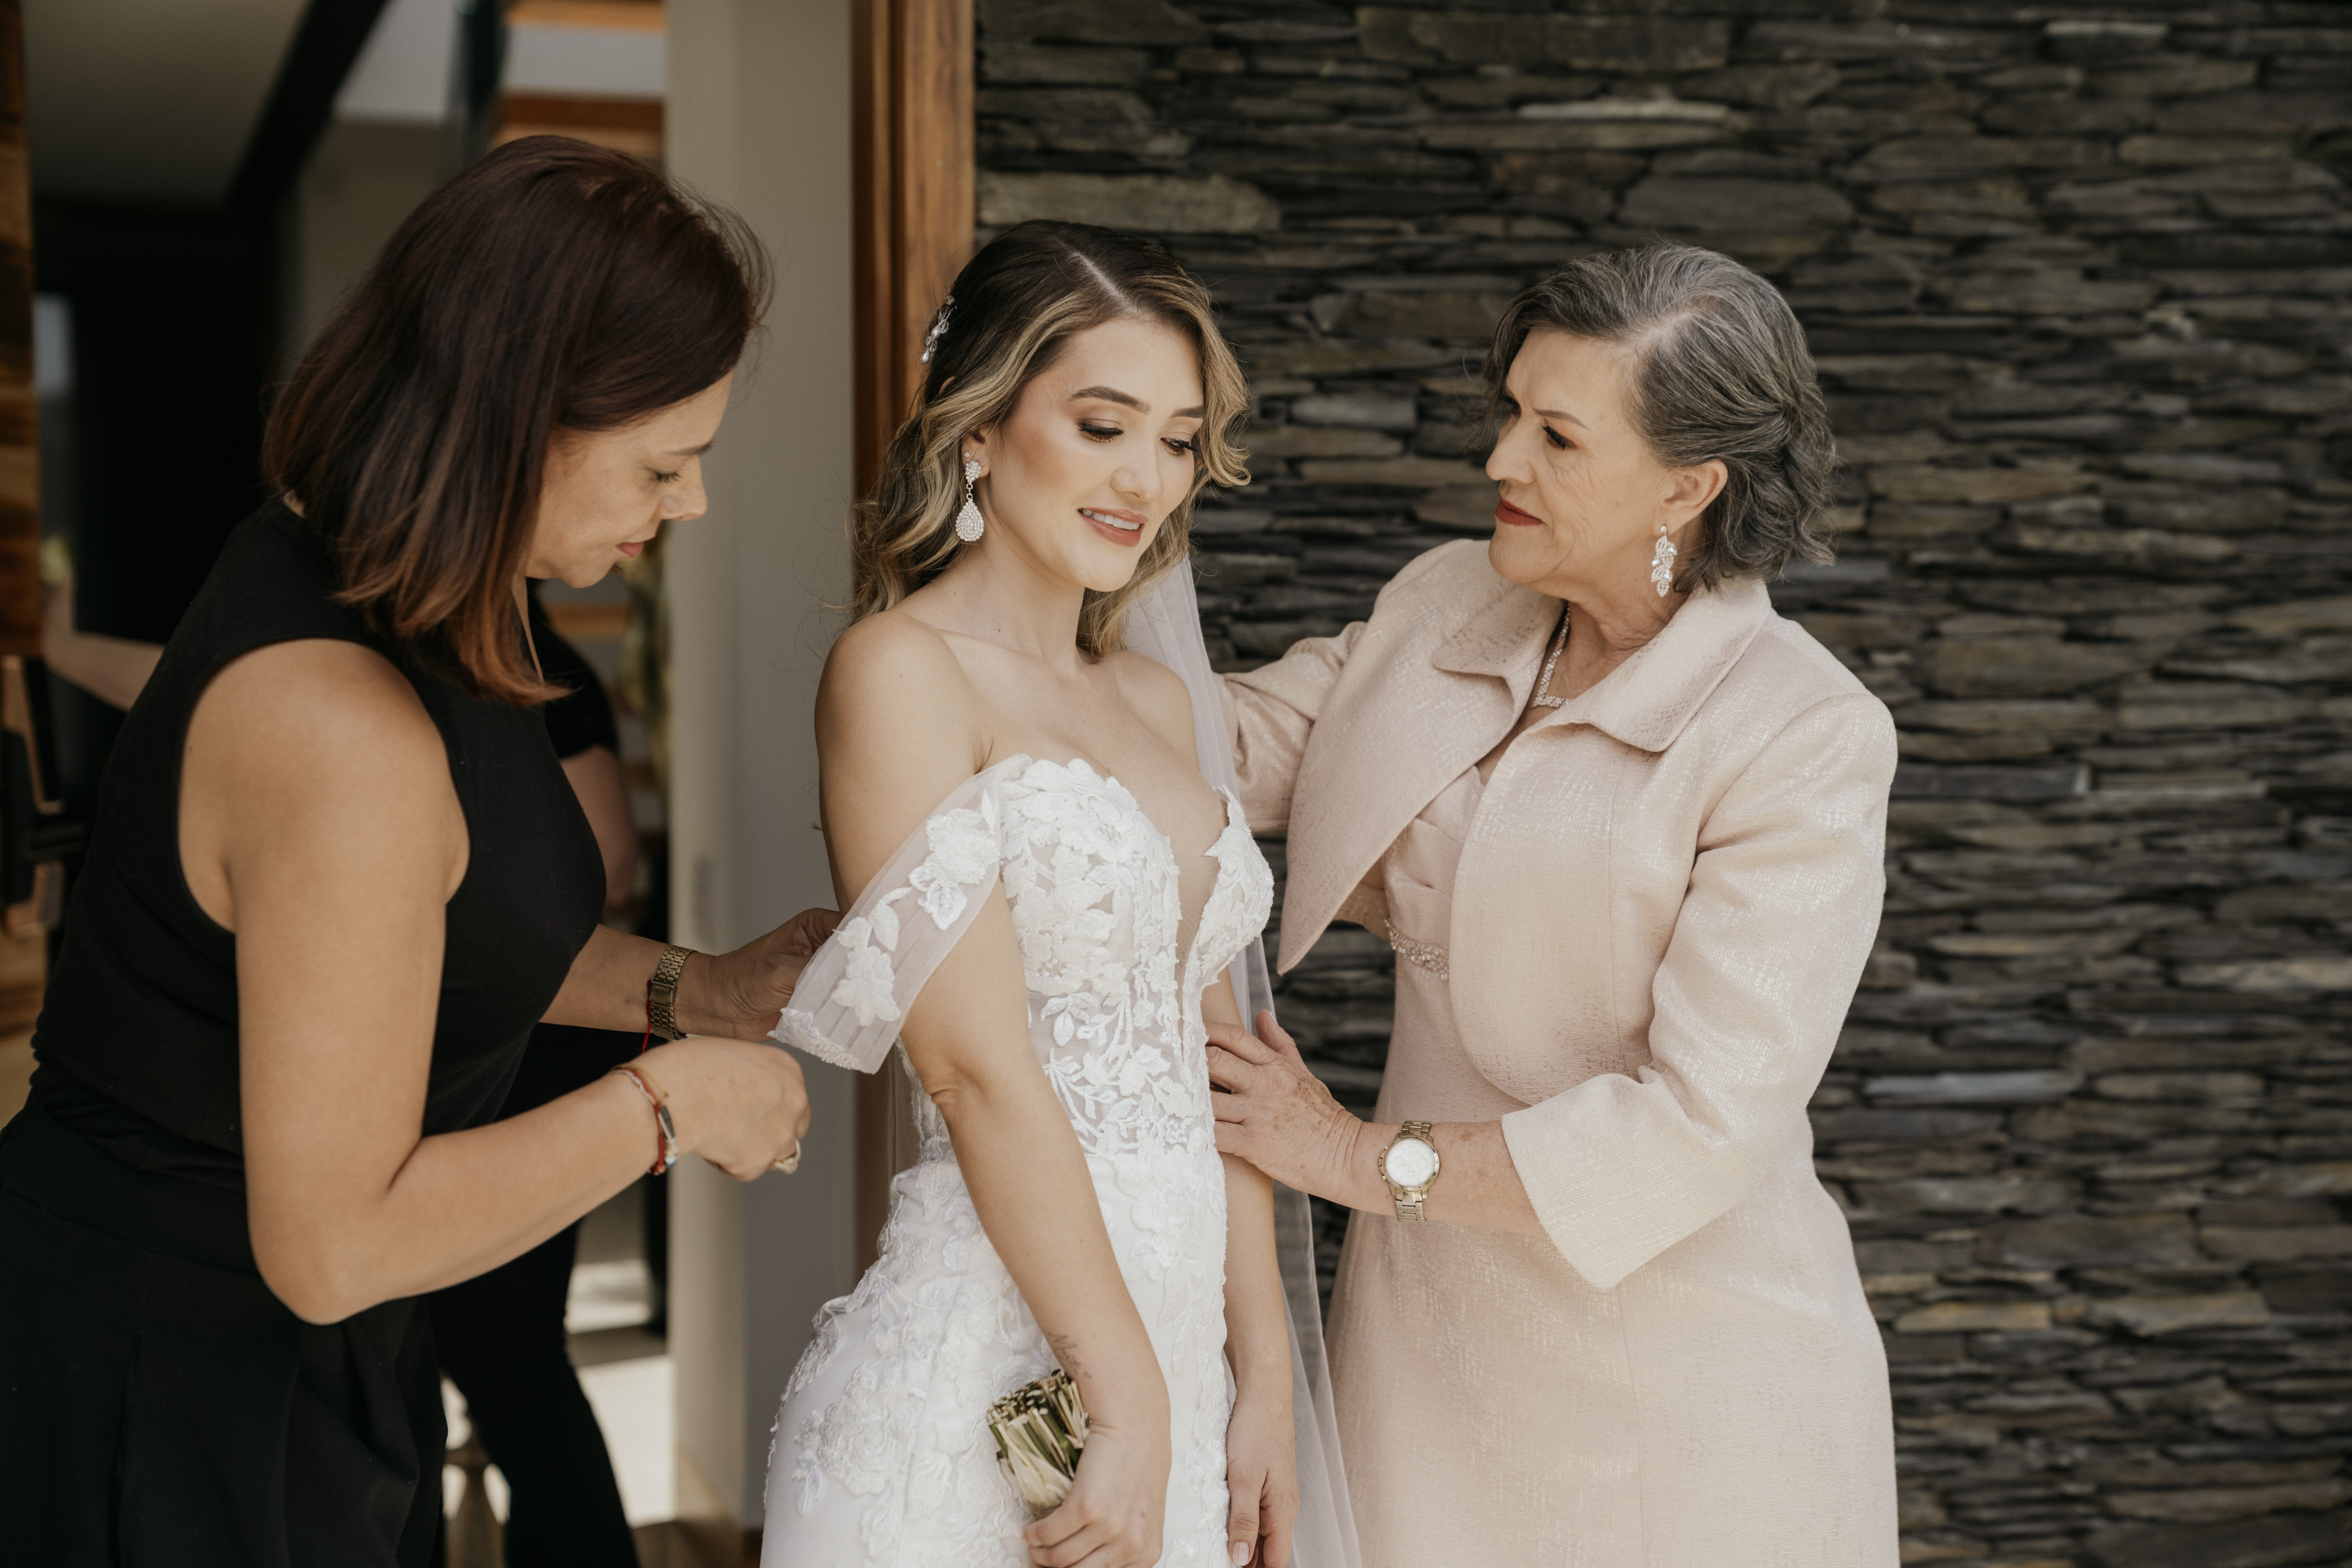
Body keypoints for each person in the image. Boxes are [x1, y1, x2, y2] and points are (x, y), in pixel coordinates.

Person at [0, 137, 827, 1567]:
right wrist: (672, 1107)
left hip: (317, 1358)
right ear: (519, 418)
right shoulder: (338, 727)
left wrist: (705, 990)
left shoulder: (439, 604)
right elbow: (333, 1245)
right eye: (666, 463)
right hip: (170, 1376)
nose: (687, 505)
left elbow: (448, 938)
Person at [1203, 245, 1902, 1566]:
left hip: (1692, 1384)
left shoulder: (1802, 733)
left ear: (1689, 487)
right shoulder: (1444, 599)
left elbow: (1699, 1128)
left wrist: (1353, 1157)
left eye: (1559, 436)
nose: (1502, 463)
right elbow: (1214, 754)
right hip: (1422, 1338)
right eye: (1512, 412)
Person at [759, 220, 1305, 1568]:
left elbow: (1212, 1060)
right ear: (983, 430)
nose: (1147, 478)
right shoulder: (899, 673)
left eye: (1177, 440)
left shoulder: (1161, 701)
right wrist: (1124, 1396)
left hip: (1178, 1359)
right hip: (1006, 1358)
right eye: (1104, 423)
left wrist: (1266, 1368)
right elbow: (976, 1070)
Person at [429, 590, 647, 1568]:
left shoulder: (539, 667)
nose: (680, 504)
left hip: (535, 1053)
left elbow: (610, 862)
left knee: (509, 1355)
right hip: (479, 1061)